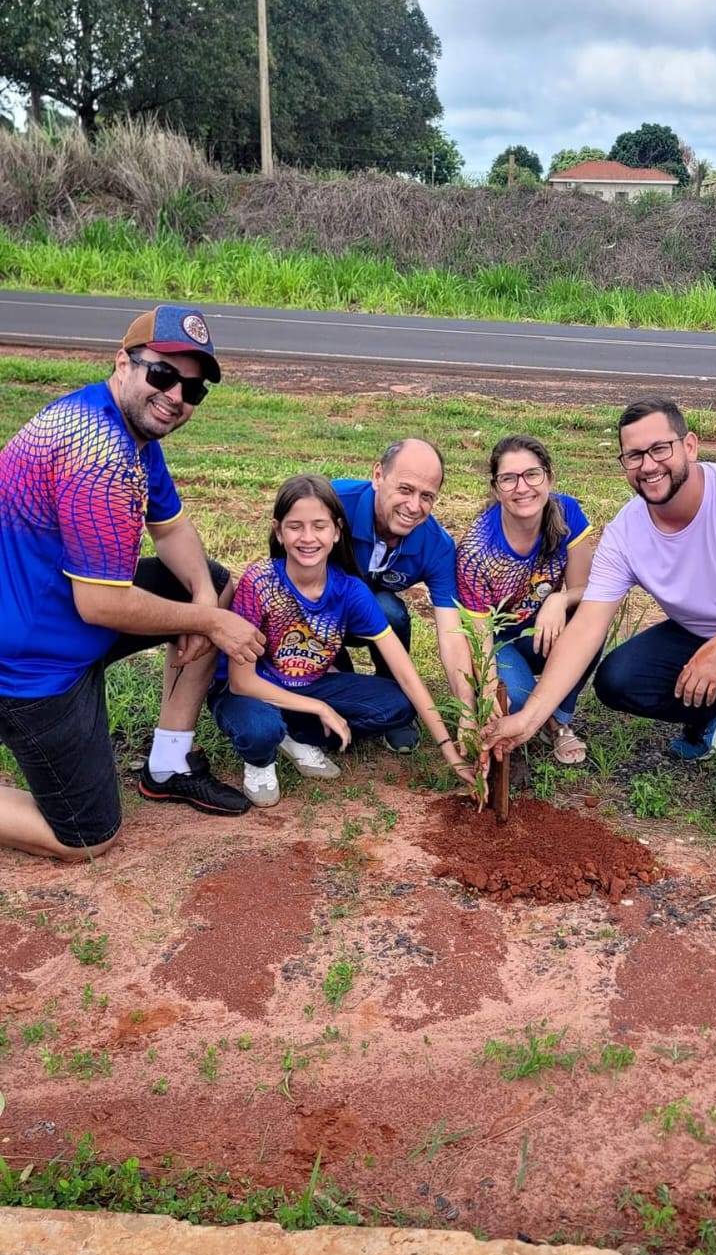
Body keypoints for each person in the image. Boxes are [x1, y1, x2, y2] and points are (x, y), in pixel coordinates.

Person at [488, 398, 716, 846]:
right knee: (618, 680)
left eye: (660, 449)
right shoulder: (626, 532)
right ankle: (714, 707)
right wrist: (532, 717)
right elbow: (587, 627)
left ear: (689, 445)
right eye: (634, 455)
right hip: (700, 635)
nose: (648, 465)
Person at [0, 304, 264, 861]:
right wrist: (209, 620)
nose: (176, 397)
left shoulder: (133, 435)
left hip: (56, 610)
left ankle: (168, 764)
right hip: (29, 661)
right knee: (85, 836)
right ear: (124, 362)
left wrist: (200, 596)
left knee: (211, 580)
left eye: (193, 391)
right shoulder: (98, 454)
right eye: (163, 374)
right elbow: (99, 603)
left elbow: (171, 532)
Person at [208, 474, 475, 806]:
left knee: (398, 705)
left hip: (305, 682)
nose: (308, 538)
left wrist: (449, 751)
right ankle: (262, 757)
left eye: (319, 526)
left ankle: (290, 733)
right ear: (278, 531)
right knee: (260, 731)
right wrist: (319, 707)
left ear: (336, 531)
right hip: (251, 688)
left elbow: (405, 673)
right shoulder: (259, 581)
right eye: (295, 527)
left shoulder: (350, 590)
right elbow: (240, 681)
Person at [455, 434, 595, 764]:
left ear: (548, 477)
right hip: (500, 640)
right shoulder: (477, 551)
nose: (522, 488)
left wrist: (559, 601)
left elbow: (589, 590)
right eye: (508, 479)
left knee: (590, 618)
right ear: (495, 488)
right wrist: (489, 695)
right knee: (514, 701)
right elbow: (480, 636)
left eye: (532, 474)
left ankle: (557, 720)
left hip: (547, 628)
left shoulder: (567, 513)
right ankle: (527, 705)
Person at [331, 441, 473, 751]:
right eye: (405, 489)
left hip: (374, 619)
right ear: (378, 475)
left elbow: (451, 632)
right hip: (319, 614)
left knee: (388, 609)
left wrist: (467, 711)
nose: (413, 506)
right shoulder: (332, 503)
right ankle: (338, 678)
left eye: (427, 497)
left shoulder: (437, 545)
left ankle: (390, 689)